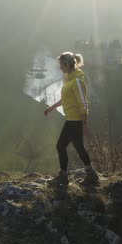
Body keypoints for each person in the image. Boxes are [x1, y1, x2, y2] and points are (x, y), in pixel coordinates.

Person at [44, 52, 99, 186]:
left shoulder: (77, 81)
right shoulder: (68, 79)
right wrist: (51, 108)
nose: (60, 68)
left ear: (67, 64)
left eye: (61, 65)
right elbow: (65, 99)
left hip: (75, 121)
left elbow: (84, 103)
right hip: (72, 119)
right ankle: (91, 174)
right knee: (79, 147)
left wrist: (84, 124)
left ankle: (63, 176)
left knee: (60, 145)